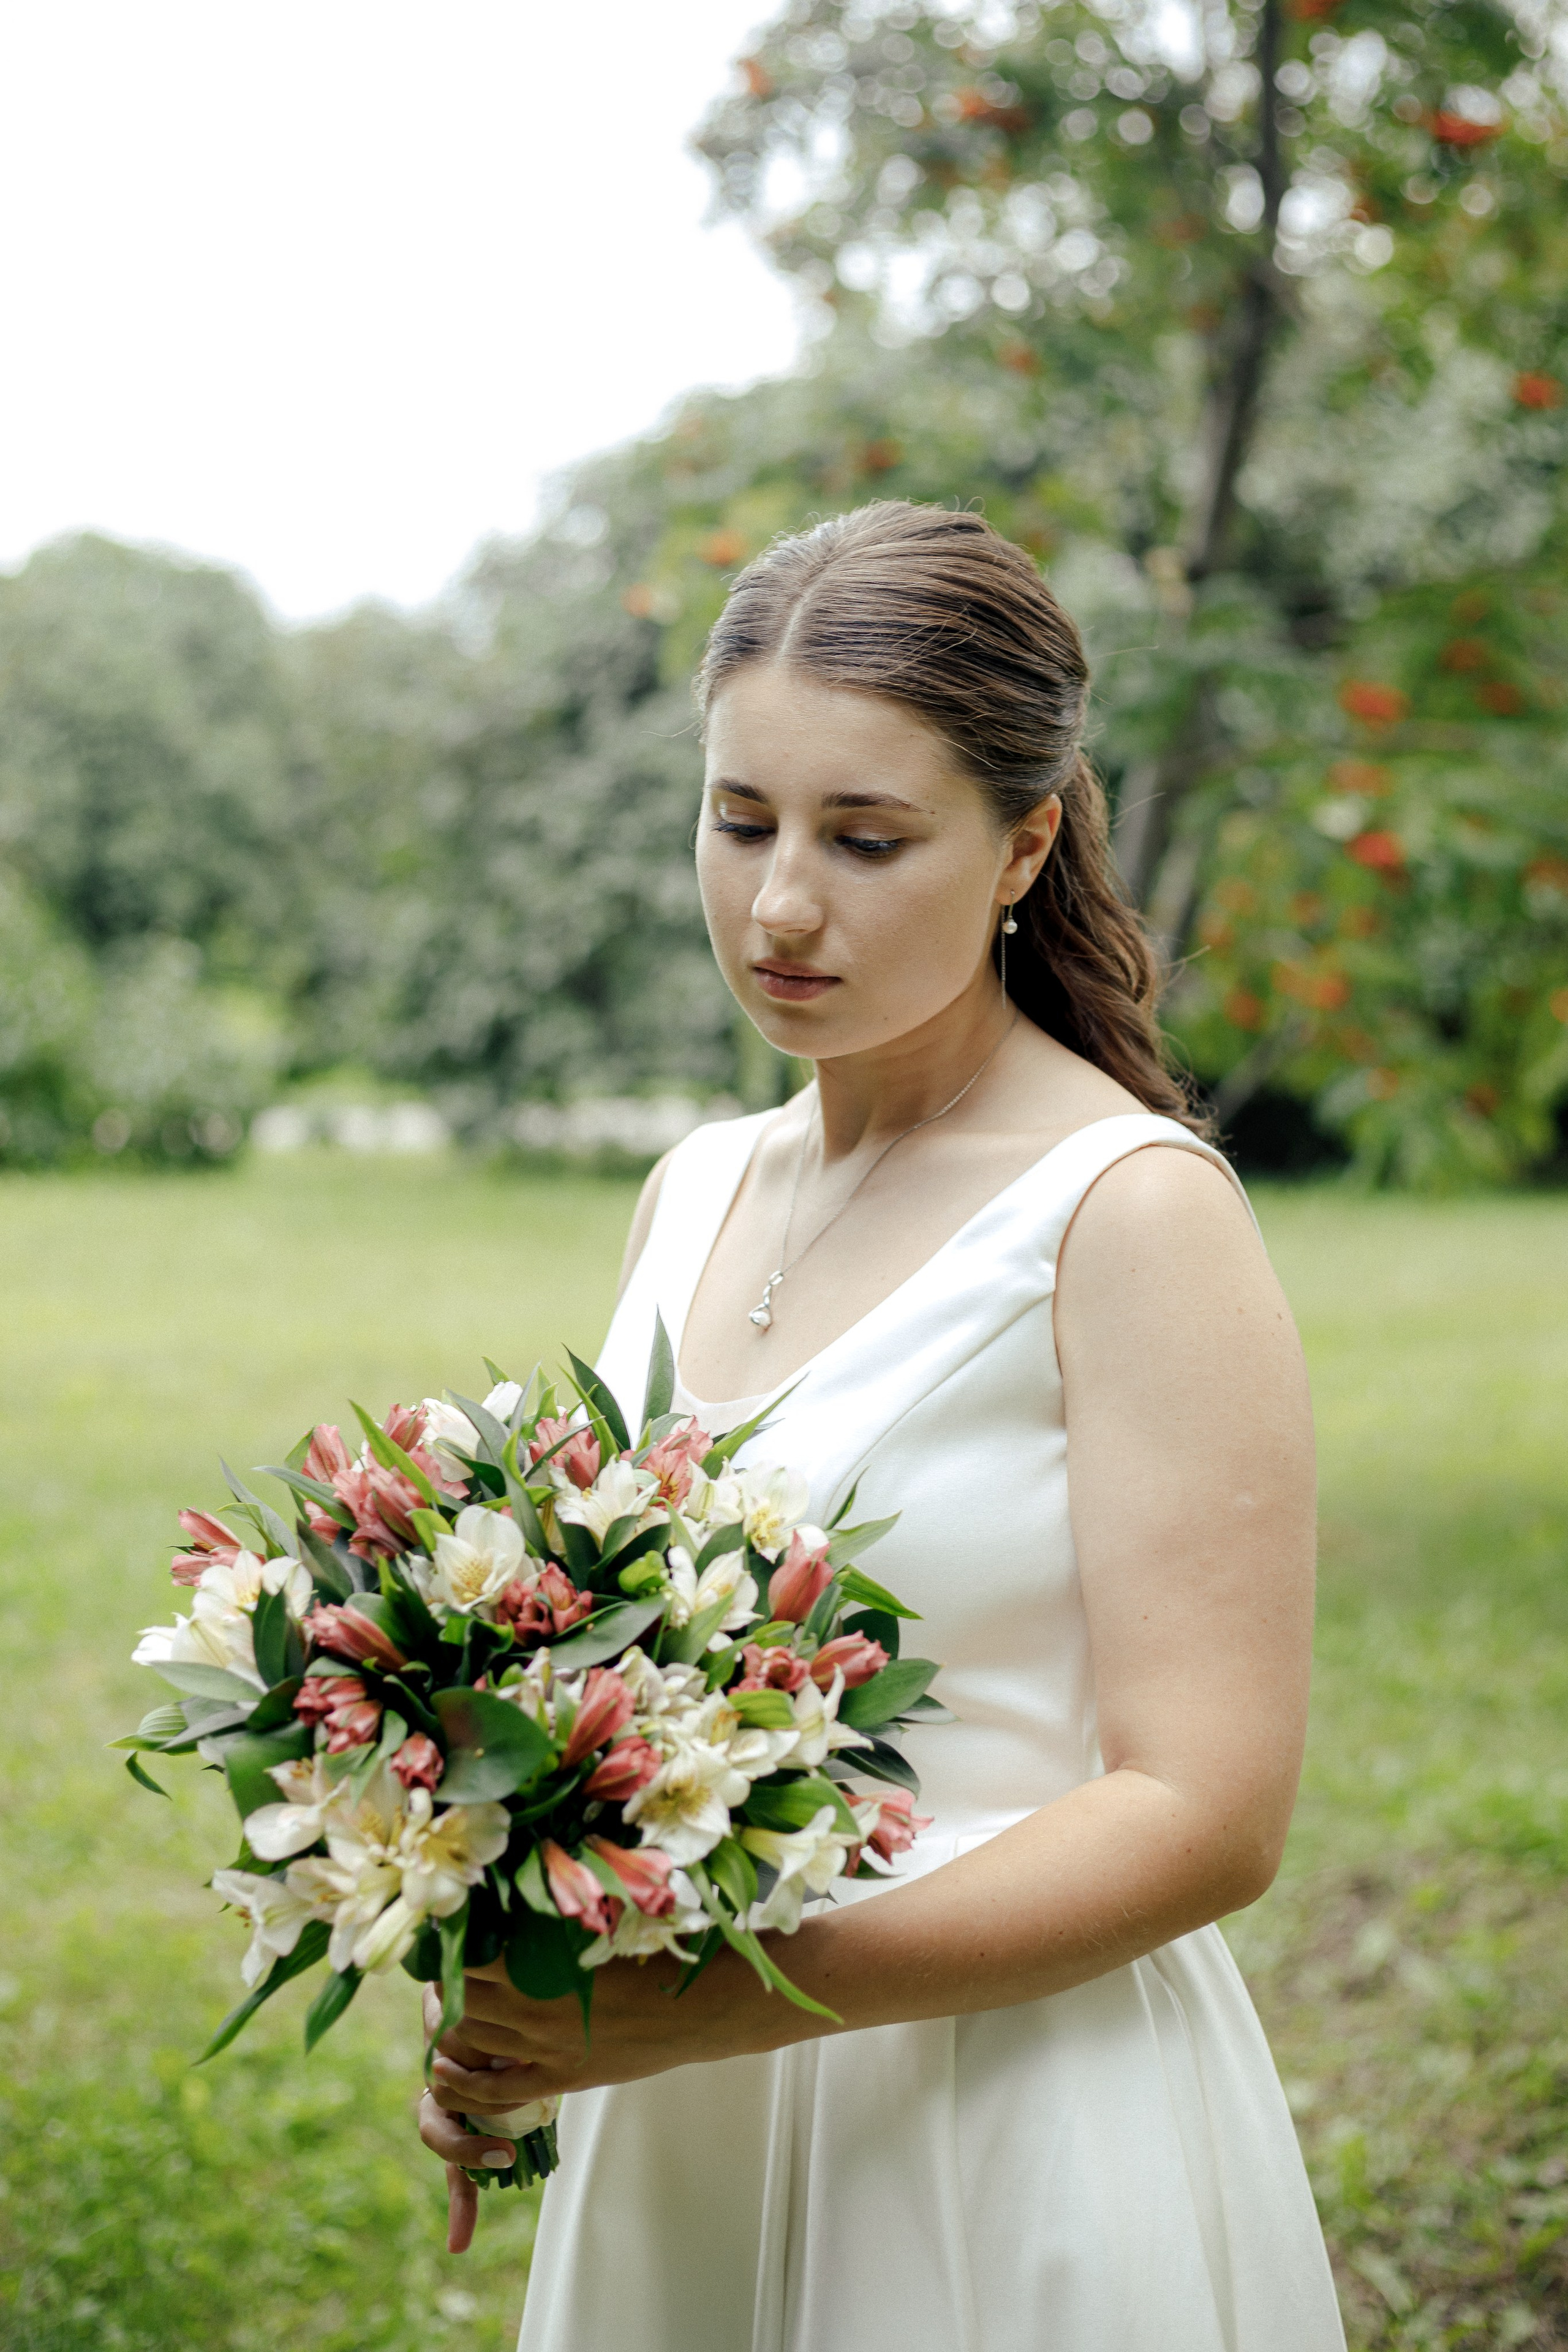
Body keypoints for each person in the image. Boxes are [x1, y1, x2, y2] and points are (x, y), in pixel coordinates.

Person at [417, 502, 1346, 2350]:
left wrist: (730, 1999)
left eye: (865, 838)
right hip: (682, 2117)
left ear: (1026, 844)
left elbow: (1209, 1811)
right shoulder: (690, 1191)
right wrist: (520, 1986)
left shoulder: (1130, 1211)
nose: (777, 904)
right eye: (739, 817)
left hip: (1006, 2127)